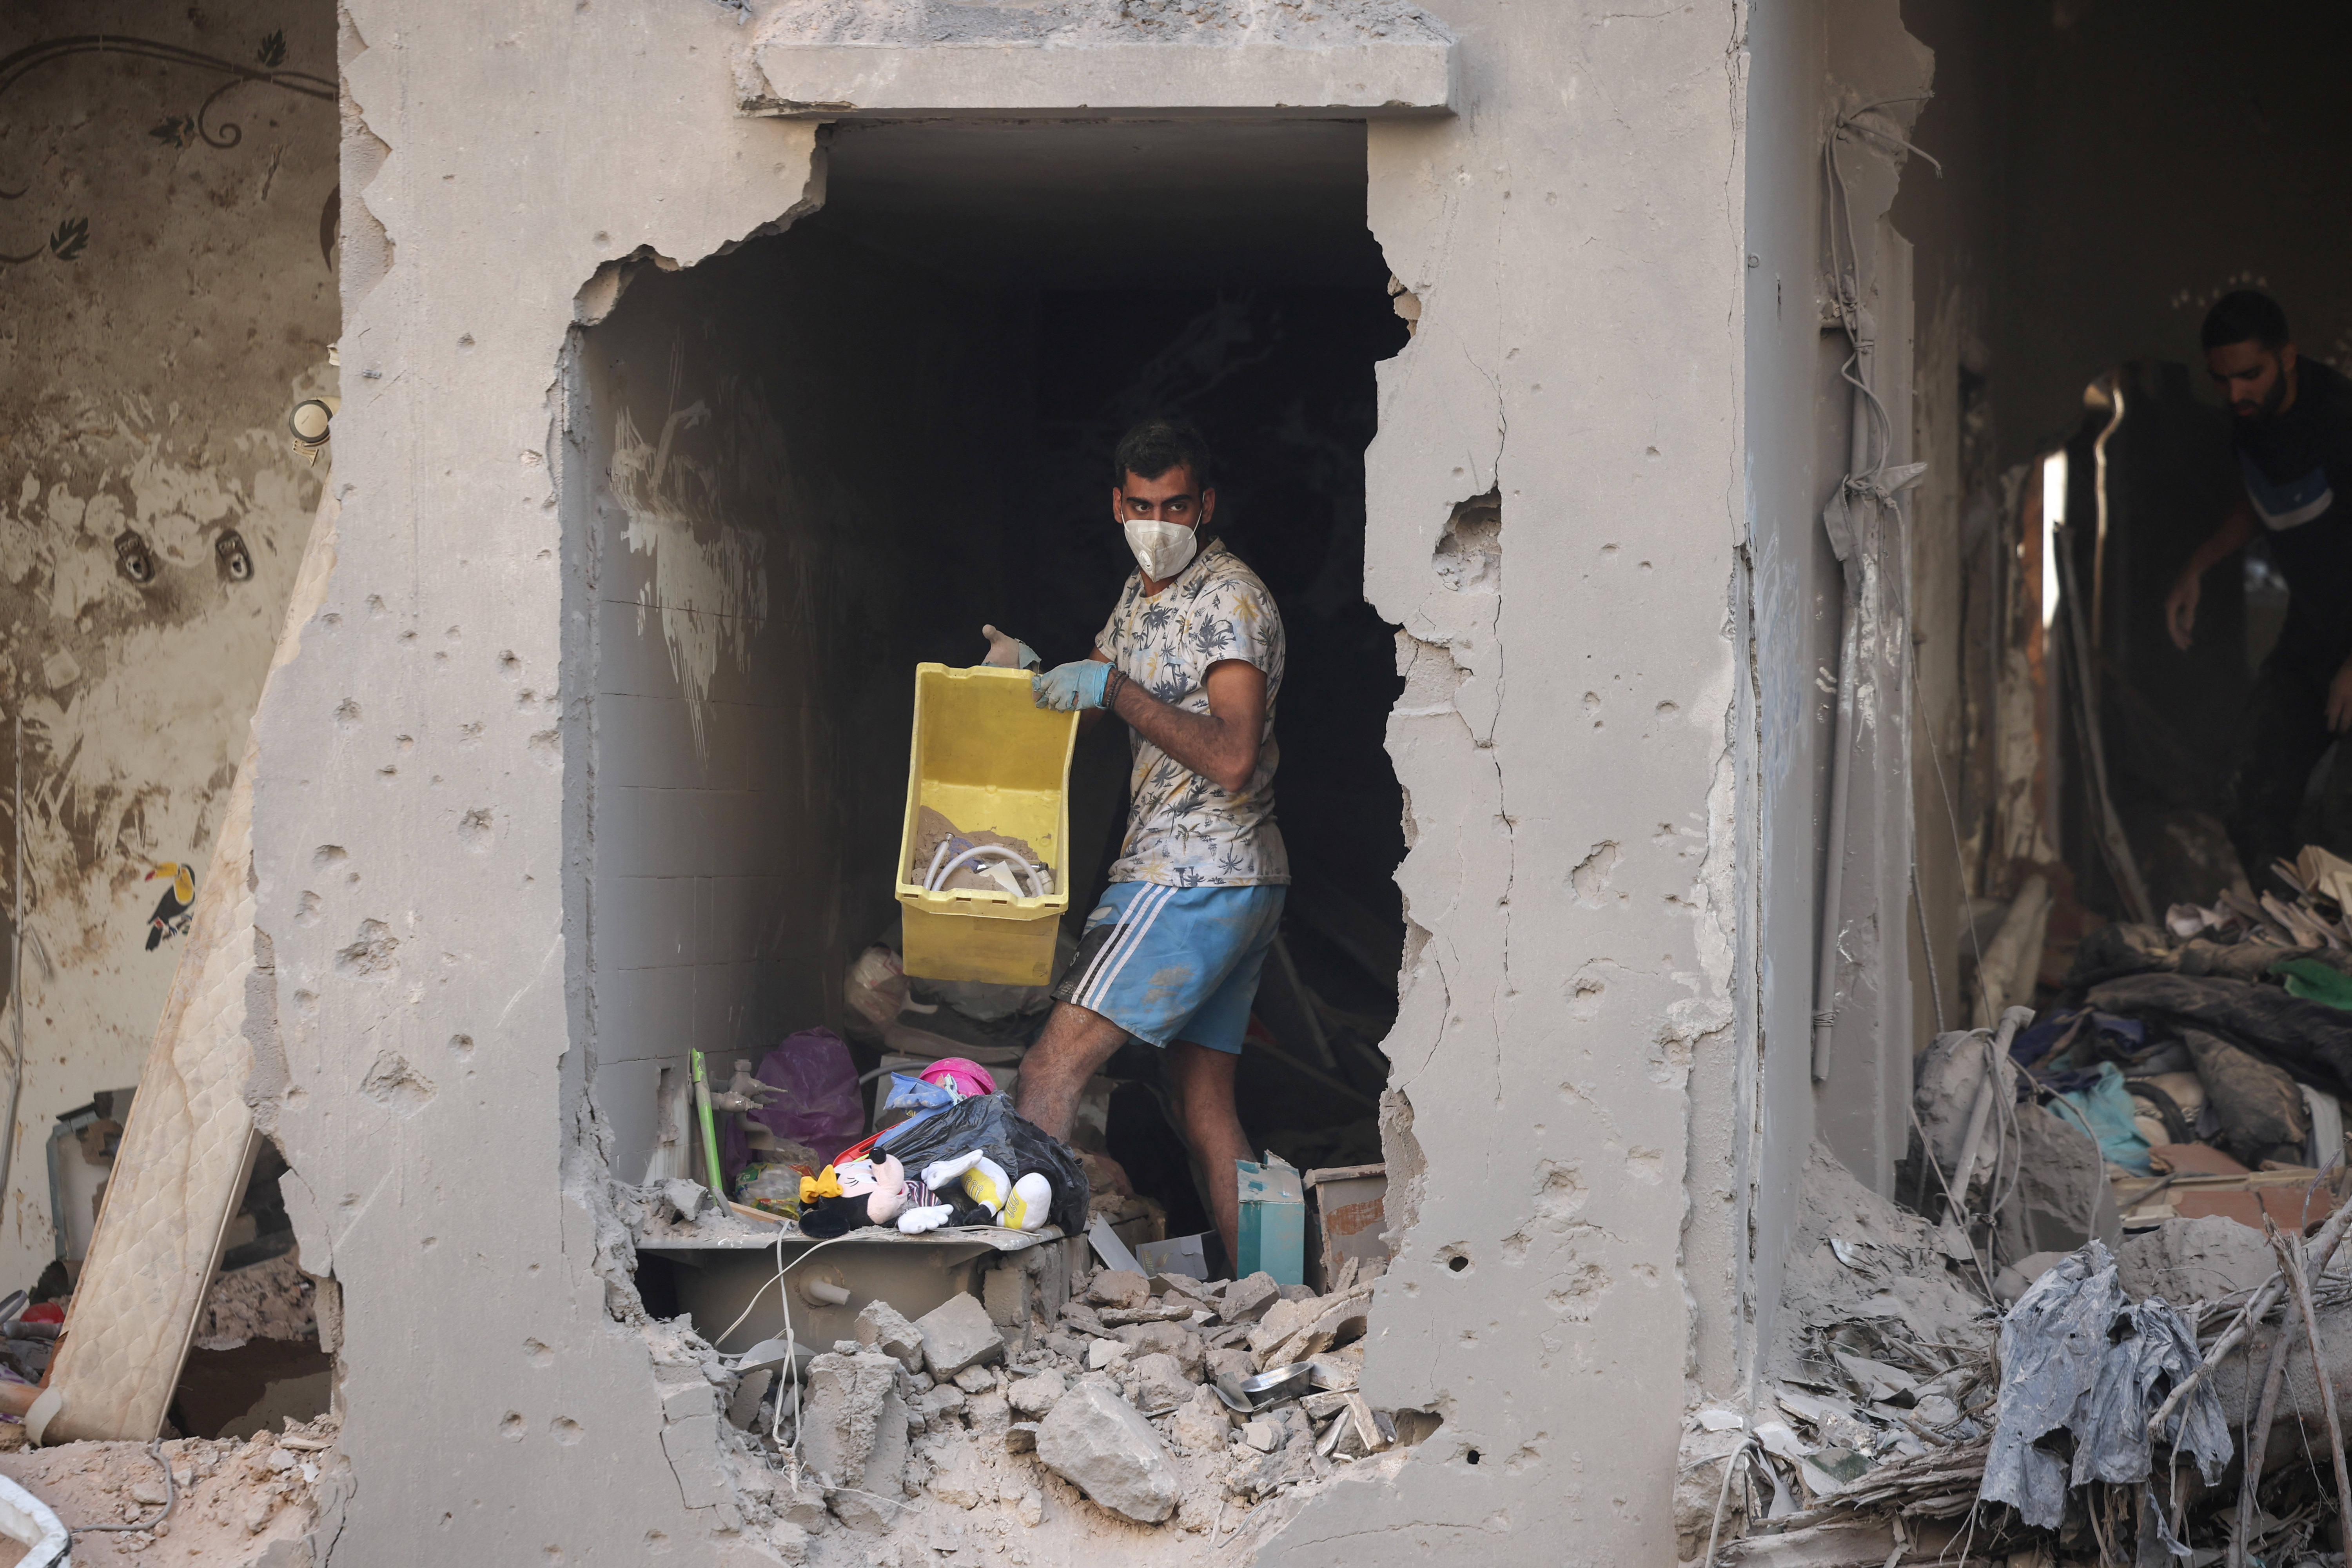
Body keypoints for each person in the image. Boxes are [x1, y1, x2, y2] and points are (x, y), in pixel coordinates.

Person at [990, 417, 1287, 1268]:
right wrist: (1033, 674)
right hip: (1232, 881)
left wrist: (1114, 689)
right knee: (1205, 1108)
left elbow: (1230, 754)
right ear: (1117, 504)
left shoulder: (1229, 599)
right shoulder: (1140, 592)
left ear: (1207, 504)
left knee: (1050, 1068)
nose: (1160, 521)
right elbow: (1090, 687)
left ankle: (1025, 1290)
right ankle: (1278, 1303)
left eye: (1178, 505)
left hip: (1191, 872)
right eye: (1143, 505)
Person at [2165, 290, 2352, 888]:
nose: (2236, 393)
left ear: (2288, 357)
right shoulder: (2252, 421)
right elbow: (2266, 497)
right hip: (2312, 637)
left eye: (2250, 375)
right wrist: (2200, 564)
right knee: (2248, 798)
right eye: (2223, 380)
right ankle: (2299, 948)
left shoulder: (2339, 421)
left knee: (2343, 819)